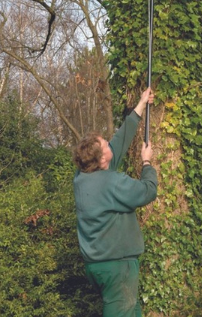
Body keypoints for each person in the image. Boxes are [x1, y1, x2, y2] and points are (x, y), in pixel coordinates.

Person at [73, 87, 158, 317]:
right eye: (105, 145)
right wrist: (147, 163)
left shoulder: (82, 178)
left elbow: (117, 143)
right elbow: (147, 191)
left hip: (98, 266)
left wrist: (140, 106)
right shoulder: (111, 182)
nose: (110, 144)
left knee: (132, 311)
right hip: (117, 267)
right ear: (102, 160)